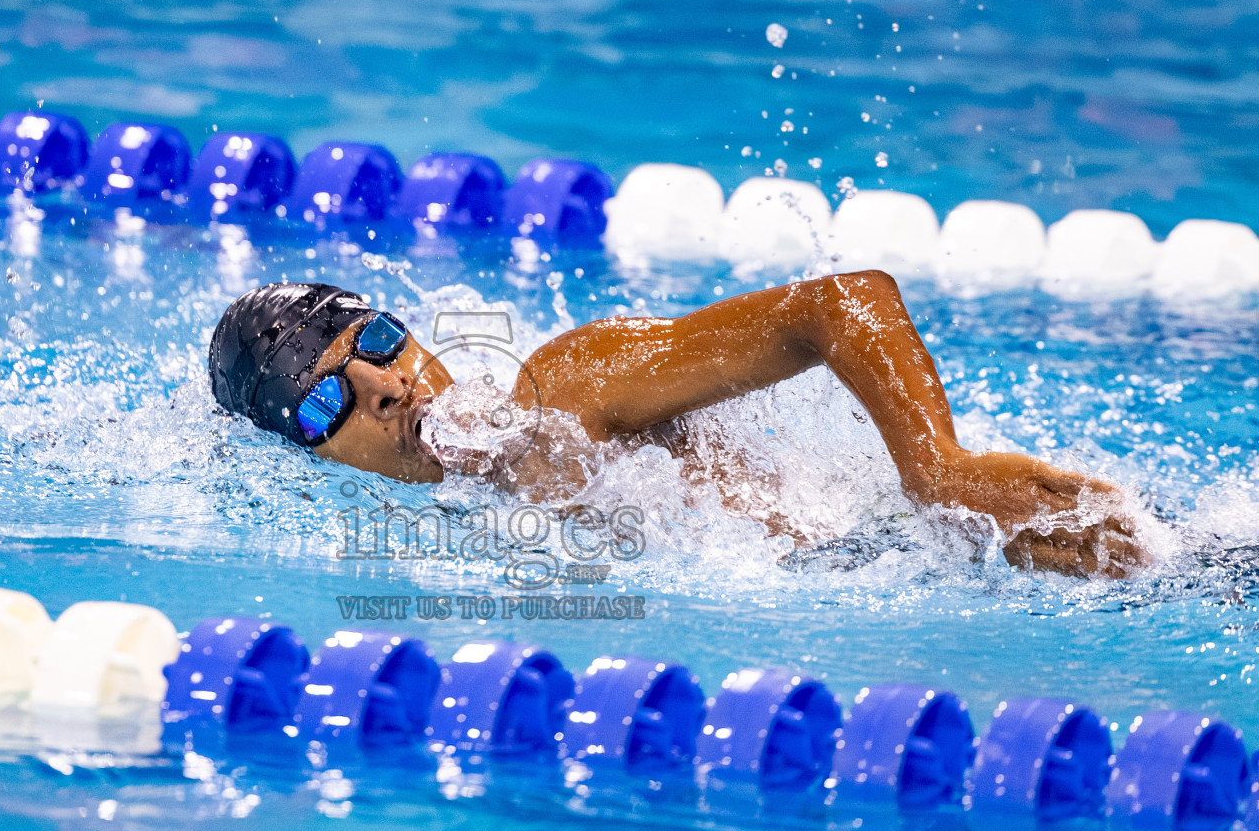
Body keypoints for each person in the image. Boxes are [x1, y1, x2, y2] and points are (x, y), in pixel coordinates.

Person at [208, 272, 1145, 578]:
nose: (388, 386)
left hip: (985, 557)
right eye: (330, 397)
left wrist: (938, 469)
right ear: (306, 455)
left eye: (379, 339)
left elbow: (841, 303)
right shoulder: (417, 556)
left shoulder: (566, 388)